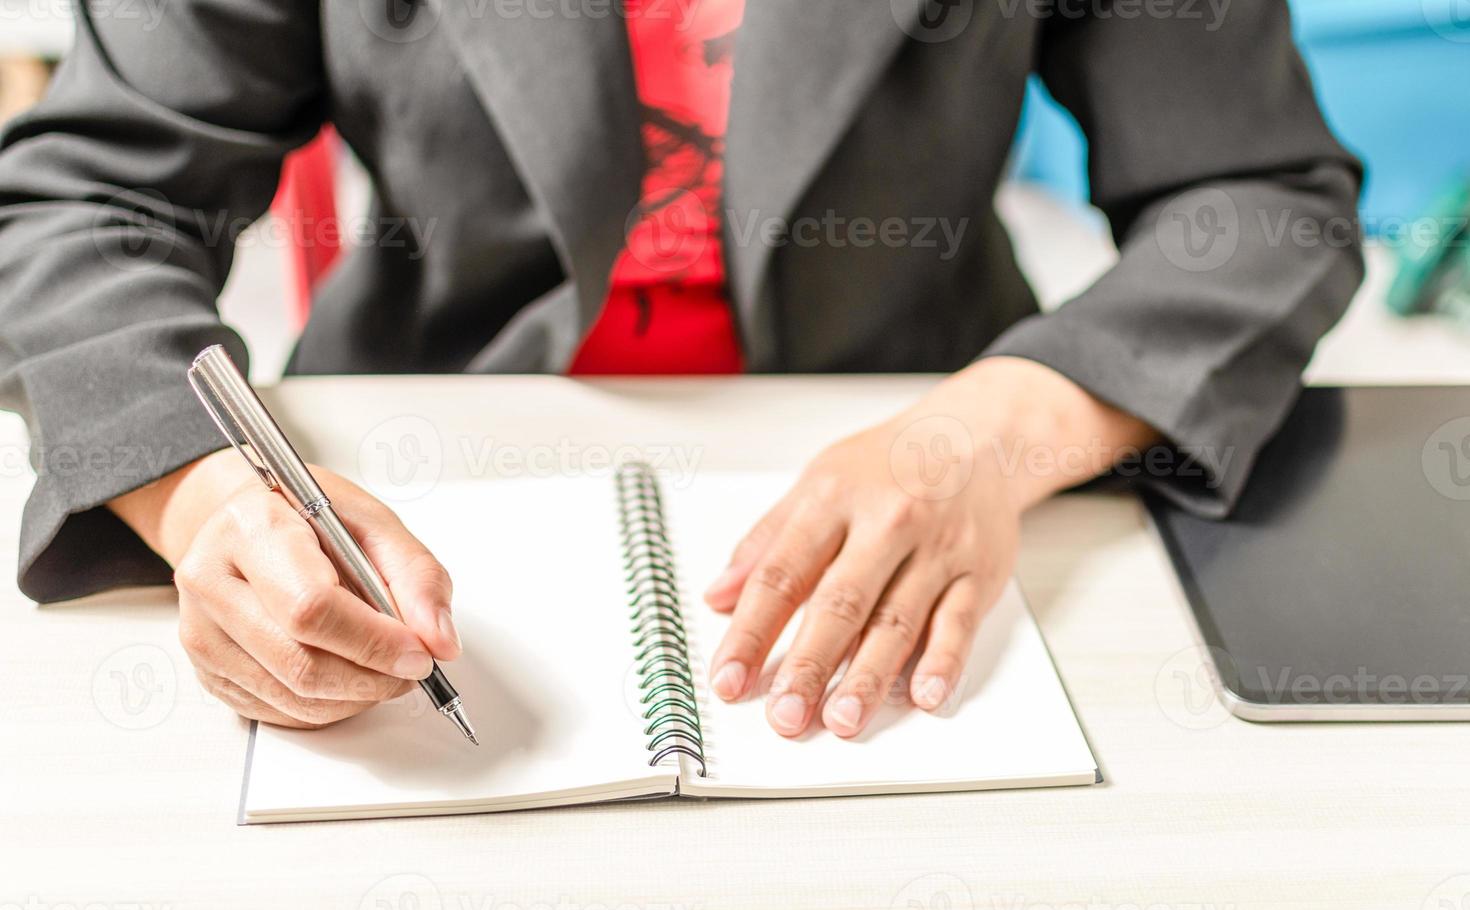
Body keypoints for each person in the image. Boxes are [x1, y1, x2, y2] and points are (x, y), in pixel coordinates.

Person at [0, 0, 1362, 739]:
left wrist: (1001, 432)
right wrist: (201, 500)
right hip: (419, 455)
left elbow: (1255, 196)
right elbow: (83, 202)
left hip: (933, 440)